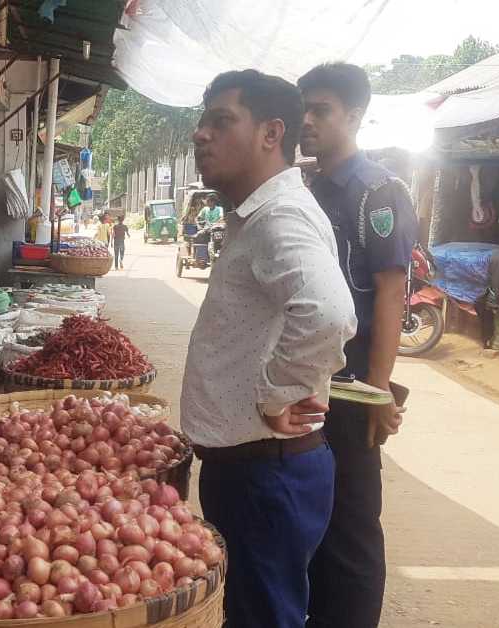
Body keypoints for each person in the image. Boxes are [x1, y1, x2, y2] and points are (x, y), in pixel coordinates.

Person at [181, 69, 357, 628]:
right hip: (255, 471)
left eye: (221, 121)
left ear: (271, 133)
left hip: (266, 475)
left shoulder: (280, 217)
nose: (200, 135)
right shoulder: (258, 214)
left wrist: (279, 394)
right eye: (201, 122)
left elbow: (329, 312)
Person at [296, 62, 417, 628]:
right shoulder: (307, 189)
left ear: (355, 116)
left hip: (352, 389)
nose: (307, 121)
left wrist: (378, 389)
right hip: (305, 382)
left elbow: (393, 291)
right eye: (305, 109)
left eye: (320, 110)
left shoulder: (378, 192)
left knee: (352, 522)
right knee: (309, 513)